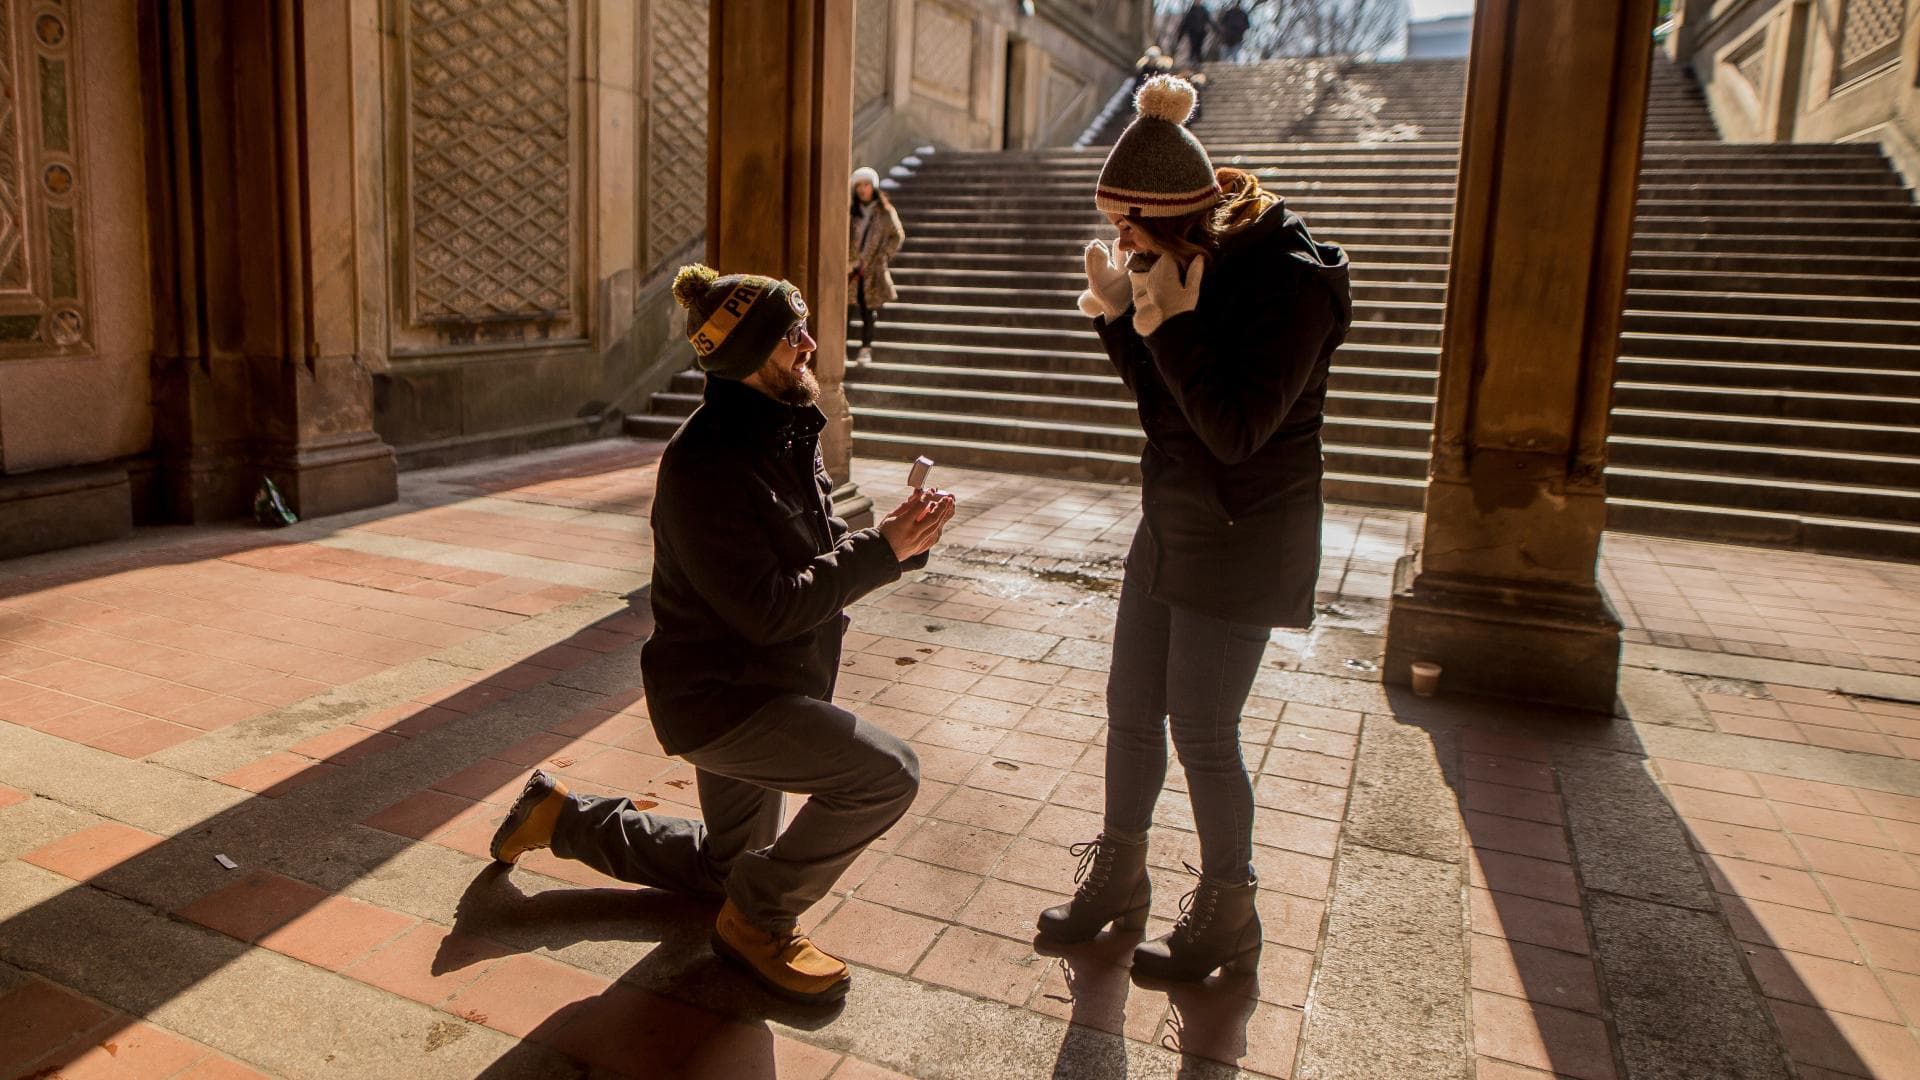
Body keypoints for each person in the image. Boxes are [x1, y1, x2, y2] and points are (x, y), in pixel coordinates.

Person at [490, 263, 957, 1006]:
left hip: (774, 685)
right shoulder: (703, 465)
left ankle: (560, 818)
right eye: (788, 335)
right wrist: (884, 550)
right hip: (724, 703)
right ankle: (758, 920)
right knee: (886, 774)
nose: (808, 344)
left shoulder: (784, 427)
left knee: (724, 864)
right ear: (745, 359)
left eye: (801, 327)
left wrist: (902, 536)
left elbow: (825, 552)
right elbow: (767, 609)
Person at [1036, 75, 1351, 982]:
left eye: (1130, 230)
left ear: (1175, 216)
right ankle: (1118, 882)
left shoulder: (1287, 287)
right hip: (1173, 518)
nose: (1122, 244)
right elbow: (1165, 411)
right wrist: (1120, 322)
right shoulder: (1172, 265)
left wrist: (1165, 325)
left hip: (1248, 533)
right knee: (1132, 710)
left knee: (1205, 730)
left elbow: (1235, 431)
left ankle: (1229, 910)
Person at [848, 167, 905, 367]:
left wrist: (883, 256)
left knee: (868, 310)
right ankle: (841, 350)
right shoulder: (851, 212)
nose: (863, 189)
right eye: (859, 186)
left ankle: (865, 349)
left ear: (874, 186)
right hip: (851, 269)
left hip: (872, 269)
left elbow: (897, 236)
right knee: (845, 310)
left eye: (866, 184)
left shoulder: (885, 212)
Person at [1176, 0, 1213, 67]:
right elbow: (1185, 24)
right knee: (1193, 47)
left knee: (1199, 48)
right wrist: (1180, 36)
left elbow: (1210, 20)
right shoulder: (1191, 11)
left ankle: (1199, 63)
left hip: (1201, 33)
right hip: (1192, 33)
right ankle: (1192, 62)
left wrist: (1219, 31)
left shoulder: (1203, 10)